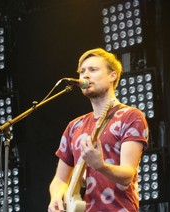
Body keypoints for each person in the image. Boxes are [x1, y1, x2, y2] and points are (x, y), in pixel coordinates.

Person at [48, 48, 149, 212]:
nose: (85, 75)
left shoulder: (130, 116)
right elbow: (60, 179)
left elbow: (127, 175)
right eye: (82, 71)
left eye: (93, 69)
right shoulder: (74, 126)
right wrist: (56, 197)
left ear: (112, 75)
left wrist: (100, 166)